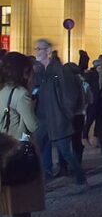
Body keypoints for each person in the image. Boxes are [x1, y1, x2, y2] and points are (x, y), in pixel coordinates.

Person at [0, 52, 46, 217]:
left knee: (4, 206)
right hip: (19, 154)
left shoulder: (2, 92)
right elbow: (33, 126)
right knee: (21, 209)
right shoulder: (21, 95)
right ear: (24, 72)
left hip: (2, 152)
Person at [32, 40, 87, 185]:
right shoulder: (39, 71)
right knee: (35, 147)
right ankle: (40, 178)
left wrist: (67, 113)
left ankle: (80, 176)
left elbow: (69, 94)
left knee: (65, 151)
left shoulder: (58, 70)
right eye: (36, 48)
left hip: (57, 117)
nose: (37, 51)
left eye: (40, 49)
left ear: (48, 51)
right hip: (42, 116)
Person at [82, 59, 101, 144]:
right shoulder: (91, 75)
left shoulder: (99, 75)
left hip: (98, 100)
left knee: (98, 120)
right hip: (93, 100)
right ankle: (85, 136)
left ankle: (96, 137)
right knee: (90, 119)